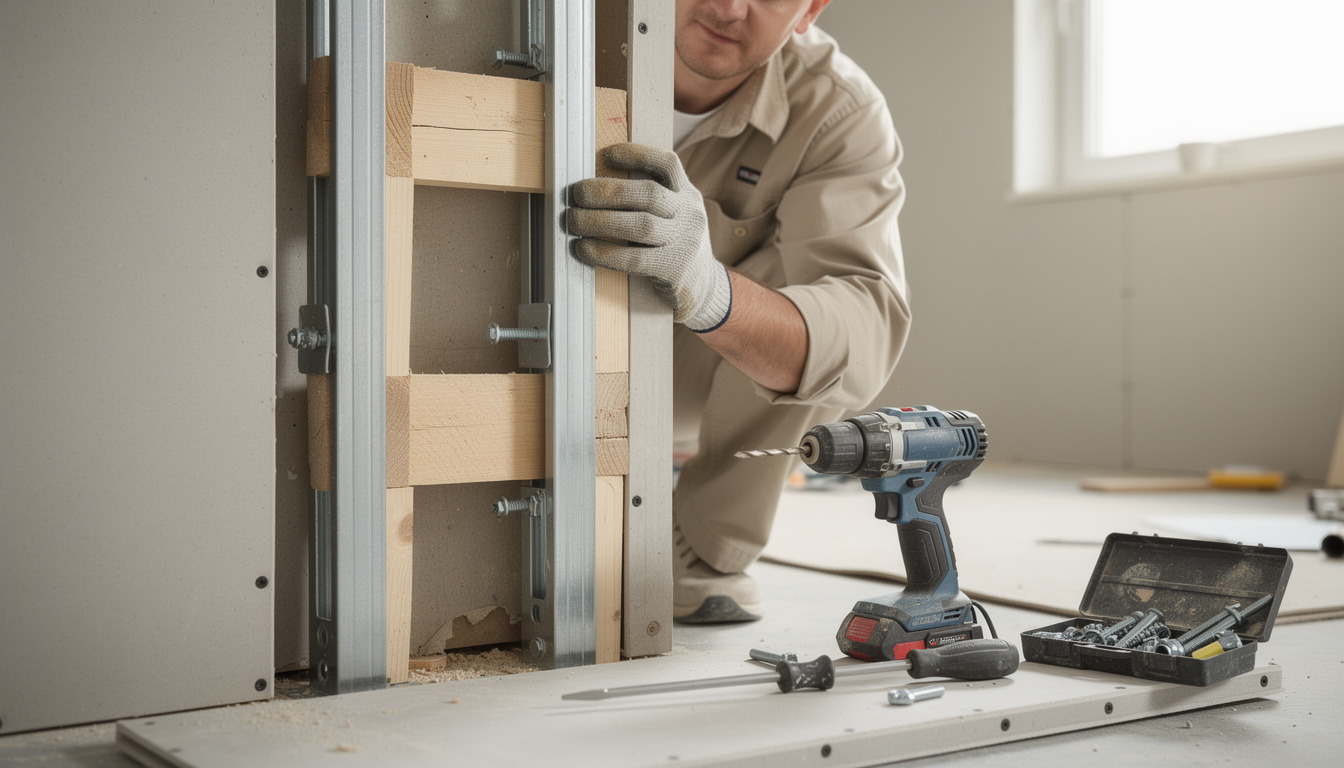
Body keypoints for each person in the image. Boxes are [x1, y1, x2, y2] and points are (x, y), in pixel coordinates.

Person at [568, 0, 910, 623]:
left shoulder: (836, 109)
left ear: (810, 11)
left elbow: (866, 329)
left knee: (822, 307)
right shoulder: (557, 23)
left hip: (661, 370)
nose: (729, 7)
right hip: (506, 334)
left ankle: (702, 544)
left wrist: (710, 287)